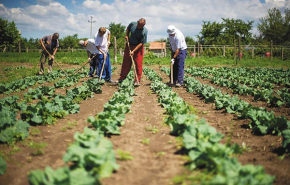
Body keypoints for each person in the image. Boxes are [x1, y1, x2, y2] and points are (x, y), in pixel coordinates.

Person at [118, 18, 148, 86]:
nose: (139, 27)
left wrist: (133, 51)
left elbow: (141, 43)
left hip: (138, 47)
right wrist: (126, 35)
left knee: (138, 64)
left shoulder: (144, 31)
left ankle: (137, 80)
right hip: (130, 44)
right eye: (138, 25)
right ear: (137, 22)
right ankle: (122, 77)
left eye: (141, 26)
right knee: (126, 62)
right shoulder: (133, 24)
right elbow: (128, 28)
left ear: (144, 25)